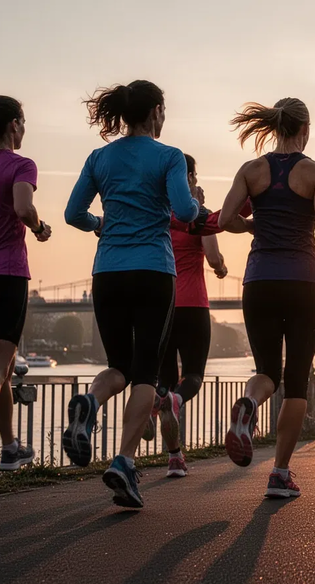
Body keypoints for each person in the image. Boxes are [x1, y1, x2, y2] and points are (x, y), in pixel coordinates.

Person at [219, 97, 315, 499]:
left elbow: (222, 220)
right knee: (297, 381)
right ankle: (280, 473)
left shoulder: (251, 170)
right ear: (304, 130)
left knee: (267, 372)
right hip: (303, 282)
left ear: (274, 127)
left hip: (260, 281)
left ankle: (249, 402)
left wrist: (253, 226)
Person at [63, 80, 200, 508]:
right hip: (153, 273)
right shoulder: (169, 156)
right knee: (144, 373)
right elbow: (183, 211)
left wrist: (99, 224)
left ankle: (90, 399)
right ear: (156, 111)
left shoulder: (99, 157)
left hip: (107, 273)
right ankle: (124, 461)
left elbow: (72, 214)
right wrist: (194, 203)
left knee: (117, 366)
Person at [142, 154, 247, 479]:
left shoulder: (159, 214)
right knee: (192, 378)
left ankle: (174, 456)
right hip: (194, 305)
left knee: (163, 384)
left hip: (161, 304)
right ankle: (171, 404)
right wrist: (221, 267)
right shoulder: (196, 216)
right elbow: (213, 256)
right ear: (188, 176)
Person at [0, 96, 51, 471]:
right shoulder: (21, 165)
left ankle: (10, 447)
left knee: (5, 365)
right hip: (8, 273)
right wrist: (39, 227)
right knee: (0, 365)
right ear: (14, 125)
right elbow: (22, 208)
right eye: (24, 121)